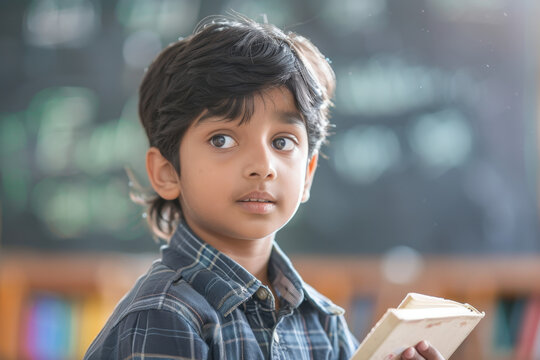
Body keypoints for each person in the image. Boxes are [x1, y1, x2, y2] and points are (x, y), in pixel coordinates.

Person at [84, 14, 444, 360]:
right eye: (222, 140)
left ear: (308, 174)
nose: (262, 167)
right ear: (166, 172)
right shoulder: (164, 315)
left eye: (283, 142)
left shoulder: (322, 322)